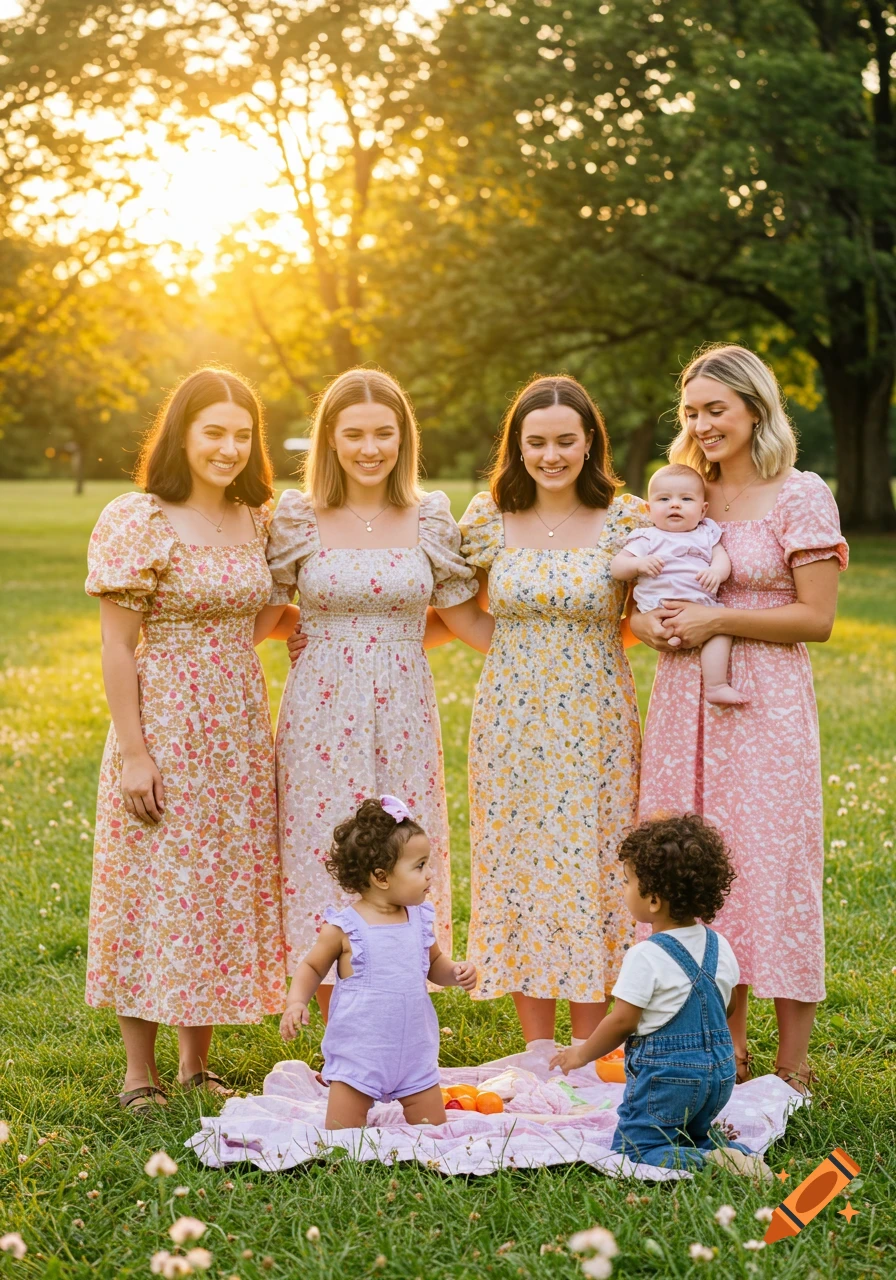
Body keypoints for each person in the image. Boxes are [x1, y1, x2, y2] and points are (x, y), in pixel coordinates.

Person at [629, 344, 848, 1097]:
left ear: (755, 408)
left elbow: (817, 618)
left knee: (771, 862)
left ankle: (793, 1061)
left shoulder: (800, 494)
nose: (702, 424)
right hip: (683, 699)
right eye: (691, 411)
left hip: (763, 701)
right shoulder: (684, 491)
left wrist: (718, 618)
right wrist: (653, 628)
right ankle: (726, 1047)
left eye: (715, 409)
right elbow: (646, 592)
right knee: (695, 865)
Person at [85, 367, 297, 1113]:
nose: (228, 448)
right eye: (213, 432)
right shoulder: (139, 517)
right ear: (182, 434)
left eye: (242, 434)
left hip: (236, 730)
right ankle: (138, 1073)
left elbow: (255, 616)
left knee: (210, 888)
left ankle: (195, 1065)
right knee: (151, 887)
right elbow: (117, 645)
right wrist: (135, 752)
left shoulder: (257, 517)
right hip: (166, 723)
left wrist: (301, 627)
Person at [267, 368, 492, 1018]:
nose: (370, 448)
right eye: (354, 434)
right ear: (330, 440)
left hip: (403, 706)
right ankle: (334, 1023)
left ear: (403, 438)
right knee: (323, 846)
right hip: (320, 709)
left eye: (384, 433)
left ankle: (395, 1007)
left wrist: (563, 642)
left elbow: (463, 619)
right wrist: (310, 631)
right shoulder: (299, 516)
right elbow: (263, 607)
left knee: (401, 848)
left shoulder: (429, 516)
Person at [449, 374, 651, 1052]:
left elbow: (641, 618)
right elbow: (464, 613)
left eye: (566, 440)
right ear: (517, 445)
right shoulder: (489, 517)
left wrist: (581, 652)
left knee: (595, 863)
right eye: (536, 442)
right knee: (521, 866)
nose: (551, 455)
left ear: (590, 441)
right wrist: (521, 656)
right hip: (509, 718)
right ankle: (539, 1048)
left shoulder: (626, 520)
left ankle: (589, 1048)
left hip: (596, 717)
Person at [551, 814, 773, 1182]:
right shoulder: (719, 945)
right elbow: (727, 1005)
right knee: (691, 1134)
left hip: (670, 1079)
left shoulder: (646, 955)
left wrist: (581, 1053)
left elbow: (621, 1021)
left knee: (637, 1148)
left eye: (628, 882)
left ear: (653, 900)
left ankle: (713, 1163)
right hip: (719, 1077)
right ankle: (735, 1154)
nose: (624, 889)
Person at [280, 796, 477, 1129]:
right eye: (420, 866)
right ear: (381, 877)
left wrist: (455, 972)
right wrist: (296, 1001)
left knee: (433, 1132)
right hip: (359, 1057)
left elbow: (434, 963)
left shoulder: (419, 919)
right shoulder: (345, 928)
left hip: (414, 1056)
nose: (430, 874)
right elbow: (312, 967)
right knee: (342, 1138)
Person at [610, 463, 748, 705]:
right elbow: (617, 567)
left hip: (701, 607)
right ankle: (672, 637)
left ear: (703, 510)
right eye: (664, 499)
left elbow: (721, 558)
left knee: (721, 632)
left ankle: (716, 685)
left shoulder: (706, 534)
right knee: (674, 629)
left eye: (686, 499)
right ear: (650, 509)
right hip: (660, 607)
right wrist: (639, 564)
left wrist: (716, 572)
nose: (675, 505)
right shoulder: (647, 537)